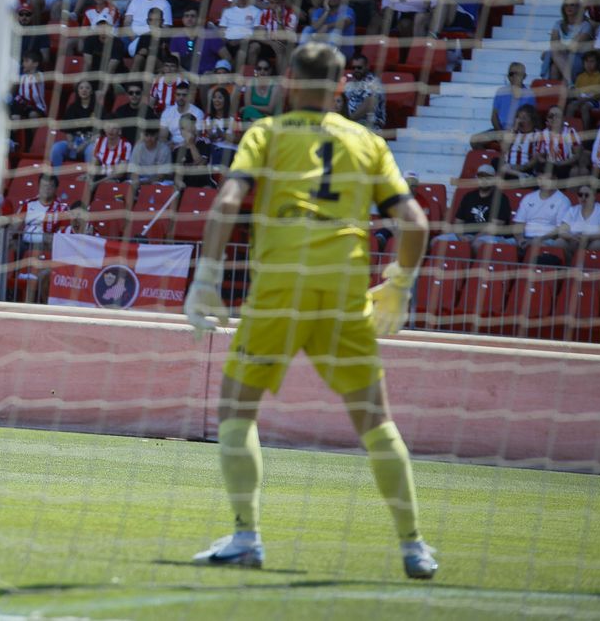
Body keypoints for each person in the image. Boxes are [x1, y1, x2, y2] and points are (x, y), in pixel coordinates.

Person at [180, 41, 438, 580]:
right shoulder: (366, 140)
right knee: (375, 420)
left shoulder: (266, 133)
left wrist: (206, 277)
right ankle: (414, 546)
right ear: (341, 87)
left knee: (235, 410)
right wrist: (400, 284)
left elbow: (227, 202)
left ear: (290, 82)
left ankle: (247, 536)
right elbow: (414, 222)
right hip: (344, 287)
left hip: (279, 287)